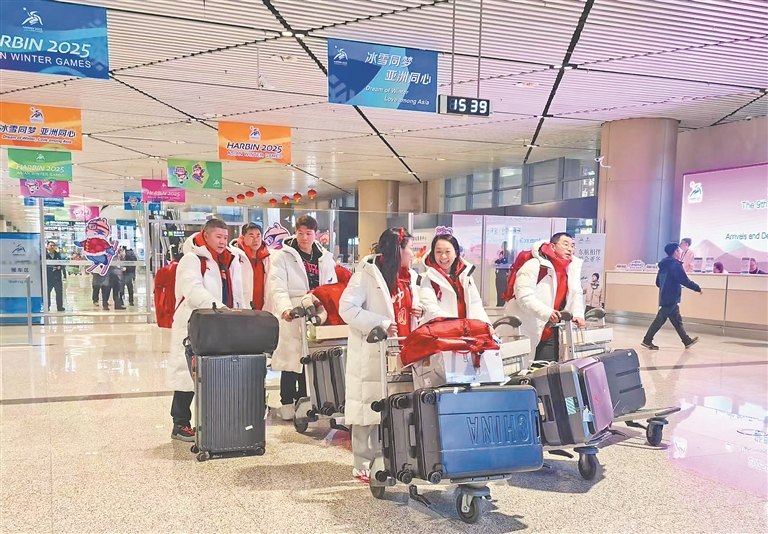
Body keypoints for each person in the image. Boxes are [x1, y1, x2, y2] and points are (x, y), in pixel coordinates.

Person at [339, 228, 421, 483]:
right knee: (368, 407)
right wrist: (381, 324)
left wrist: (419, 311)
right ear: (398, 250)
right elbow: (346, 308)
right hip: (373, 350)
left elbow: (409, 308)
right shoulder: (367, 273)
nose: (413, 254)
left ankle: (395, 458)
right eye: (409, 249)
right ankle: (362, 462)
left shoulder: (411, 277)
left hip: (404, 350)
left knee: (398, 406)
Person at [166, 218, 245, 441]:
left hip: (222, 322)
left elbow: (238, 293)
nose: (222, 241)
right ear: (206, 235)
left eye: (225, 237)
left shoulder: (230, 260)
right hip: (196, 322)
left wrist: (239, 314)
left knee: (216, 373)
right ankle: (180, 423)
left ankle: (214, 422)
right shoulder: (192, 259)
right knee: (187, 374)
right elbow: (192, 289)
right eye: (218, 237)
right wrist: (218, 307)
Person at [267, 216, 337, 421]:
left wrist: (326, 311)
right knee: (291, 361)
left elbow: (331, 288)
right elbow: (277, 287)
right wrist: (286, 310)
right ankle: (287, 402)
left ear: (316, 234)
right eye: (300, 233)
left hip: (317, 313)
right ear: (295, 233)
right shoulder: (283, 256)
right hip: (294, 313)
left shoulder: (325, 257)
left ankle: (308, 401)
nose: (304, 238)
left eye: (309, 233)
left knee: (312, 361)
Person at [504, 232, 585, 364]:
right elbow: (524, 297)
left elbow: (576, 294)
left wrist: (578, 314)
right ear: (552, 246)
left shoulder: (571, 269)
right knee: (521, 367)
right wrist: (547, 312)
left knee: (547, 368)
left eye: (572, 245)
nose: (570, 249)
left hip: (552, 328)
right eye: (565, 244)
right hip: (526, 325)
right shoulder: (534, 265)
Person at [641, 242, 701, 350]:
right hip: (672, 295)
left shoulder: (663, 265)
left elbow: (658, 282)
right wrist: (697, 288)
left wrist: (666, 286)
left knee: (676, 319)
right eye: (678, 250)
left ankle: (686, 340)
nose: (680, 252)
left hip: (665, 294)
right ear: (675, 252)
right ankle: (647, 340)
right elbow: (684, 280)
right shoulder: (675, 265)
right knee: (660, 318)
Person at [419, 233, 490, 325]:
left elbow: (475, 304)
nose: (443, 256)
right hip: (440, 331)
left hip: (464, 330)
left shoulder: (465, 275)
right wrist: (457, 325)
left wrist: (486, 325)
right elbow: (431, 310)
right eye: (438, 252)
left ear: (456, 253)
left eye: (447, 252)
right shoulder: (426, 278)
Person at [230, 223, 271, 310]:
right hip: (242, 308)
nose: (255, 240)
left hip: (262, 309)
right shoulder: (234, 256)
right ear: (243, 237)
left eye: (258, 236)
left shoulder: (267, 257)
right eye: (251, 236)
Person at [45, 241, 65, 312]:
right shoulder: (44, 255)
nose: (52, 247)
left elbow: (62, 264)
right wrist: (50, 268)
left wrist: (60, 267)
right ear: (47, 246)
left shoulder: (57, 254)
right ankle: (47, 306)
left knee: (59, 292)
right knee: (47, 292)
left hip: (57, 277)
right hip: (48, 277)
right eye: (51, 245)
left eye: (53, 245)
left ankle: (59, 307)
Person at [493, 241, 511, 306]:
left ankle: (502, 303)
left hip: (503, 275)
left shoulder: (507, 254)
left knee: (502, 290)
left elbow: (506, 263)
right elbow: (496, 262)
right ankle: (499, 302)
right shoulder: (500, 255)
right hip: (499, 275)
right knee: (499, 290)